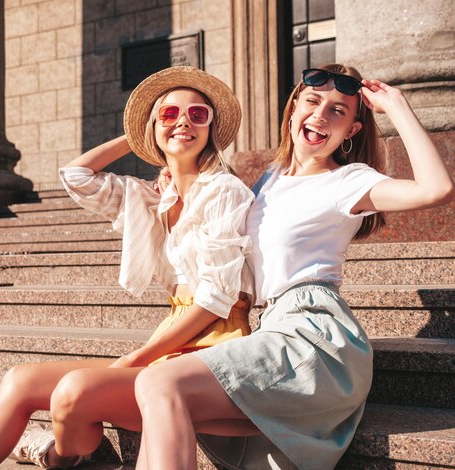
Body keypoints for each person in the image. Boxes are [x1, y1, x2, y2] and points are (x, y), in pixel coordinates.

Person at [133, 63, 455, 470]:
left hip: (315, 334)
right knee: (154, 393)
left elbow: (436, 189)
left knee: (159, 382)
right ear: (293, 110)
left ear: (351, 131)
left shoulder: (348, 180)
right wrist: (178, 183)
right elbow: (219, 222)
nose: (321, 115)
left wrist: (398, 108)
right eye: (314, 101)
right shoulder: (268, 178)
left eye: (338, 111)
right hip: (270, 326)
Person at [0, 65, 256, 469]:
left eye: (198, 114)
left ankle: (60, 452)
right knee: (20, 380)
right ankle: (69, 452)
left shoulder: (224, 191)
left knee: (73, 391)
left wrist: (134, 359)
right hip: (173, 340)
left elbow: (215, 301)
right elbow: (77, 176)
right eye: (169, 114)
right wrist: (137, 133)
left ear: (211, 127)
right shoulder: (152, 198)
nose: (183, 122)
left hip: (215, 347)